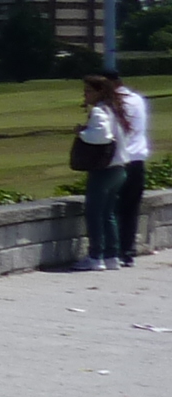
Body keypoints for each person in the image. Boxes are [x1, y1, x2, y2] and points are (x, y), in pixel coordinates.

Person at [75, 74, 134, 271]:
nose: (85, 95)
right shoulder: (115, 111)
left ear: (99, 92)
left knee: (94, 213)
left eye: (89, 91)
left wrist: (82, 133)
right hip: (120, 169)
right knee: (109, 213)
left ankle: (95, 256)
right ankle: (112, 255)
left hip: (104, 170)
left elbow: (102, 135)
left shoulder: (100, 111)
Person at [108, 72, 152, 263]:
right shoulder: (138, 100)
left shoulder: (114, 105)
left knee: (113, 208)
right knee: (131, 208)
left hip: (120, 161)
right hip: (138, 159)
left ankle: (113, 250)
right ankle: (128, 251)